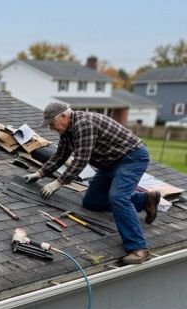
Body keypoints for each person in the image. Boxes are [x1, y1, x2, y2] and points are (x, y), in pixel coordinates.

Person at [24, 102, 160, 265]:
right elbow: (60, 155)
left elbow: (81, 159)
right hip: (109, 163)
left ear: (64, 117)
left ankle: (139, 249)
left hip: (131, 158)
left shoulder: (84, 124)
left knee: (118, 197)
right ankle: (144, 200)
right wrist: (40, 173)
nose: (52, 128)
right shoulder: (67, 131)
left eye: (52, 124)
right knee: (91, 202)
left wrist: (58, 183)